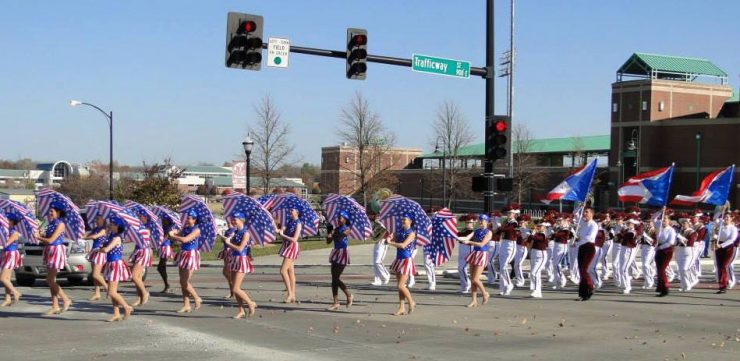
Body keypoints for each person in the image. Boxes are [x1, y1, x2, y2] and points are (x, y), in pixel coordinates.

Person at [33, 202, 72, 315]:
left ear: (58, 213)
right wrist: (40, 234)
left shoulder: (61, 224)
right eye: (49, 211)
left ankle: (65, 299)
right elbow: (47, 238)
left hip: (56, 251)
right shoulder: (50, 224)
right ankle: (55, 305)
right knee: (51, 280)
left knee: (49, 280)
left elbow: (51, 240)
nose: (49, 213)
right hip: (49, 250)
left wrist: (39, 237)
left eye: (52, 211)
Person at [223, 212, 257, 318]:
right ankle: (241, 310)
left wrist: (228, 243)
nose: (233, 221)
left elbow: (240, 248)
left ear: (241, 220)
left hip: (241, 259)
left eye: (235, 219)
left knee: (236, 288)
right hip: (234, 259)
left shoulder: (246, 233)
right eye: (232, 219)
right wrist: (228, 238)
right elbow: (231, 245)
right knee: (234, 286)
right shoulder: (235, 232)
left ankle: (250, 303)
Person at [169, 210, 203, 313]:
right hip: (183, 253)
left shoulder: (197, 230)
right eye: (187, 218)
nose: (187, 219)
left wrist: (173, 236)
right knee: (182, 281)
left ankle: (197, 298)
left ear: (194, 219)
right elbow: (179, 235)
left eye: (189, 218)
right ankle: (186, 305)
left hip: (191, 255)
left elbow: (185, 240)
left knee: (185, 281)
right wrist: (174, 232)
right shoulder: (185, 228)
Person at [100, 216, 134, 322]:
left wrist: (98, 250)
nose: (110, 225)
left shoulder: (117, 238)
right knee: (111, 291)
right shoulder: (111, 236)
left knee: (111, 292)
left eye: (112, 224)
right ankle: (116, 313)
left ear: (117, 226)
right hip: (110, 263)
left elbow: (106, 249)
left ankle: (126, 307)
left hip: (115, 264)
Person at [458, 214, 492, 307]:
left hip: (482, 254)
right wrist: (457, 237)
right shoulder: (476, 231)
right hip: (474, 254)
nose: (481, 222)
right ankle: (474, 300)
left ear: (487, 222)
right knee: (473, 279)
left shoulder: (488, 232)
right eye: (480, 220)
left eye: (483, 220)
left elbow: (481, 244)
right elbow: (467, 238)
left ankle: (485, 293)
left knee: (475, 279)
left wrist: (469, 242)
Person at [387, 214, 417, 316]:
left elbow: (403, 245)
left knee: (401, 285)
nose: (402, 221)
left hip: (406, 260)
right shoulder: (399, 231)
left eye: (405, 219)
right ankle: (401, 307)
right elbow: (393, 237)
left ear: (410, 221)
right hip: (398, 259)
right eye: (402, 219)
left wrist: (390, 243)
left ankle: (411, 302)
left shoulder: (412, 233)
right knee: (399, 286)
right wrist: (390, 236)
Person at [326, 212, 353, 310]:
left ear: (345, 219)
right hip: (335, 252)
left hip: (343, 253)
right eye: (338, 218)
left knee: (336, 278)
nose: (338, 219)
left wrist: (333, 234)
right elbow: (328, 242)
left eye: (340, 218)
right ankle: (336, 302)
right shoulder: (335, 229)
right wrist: (329, 233)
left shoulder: (347, 229)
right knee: (333, 279)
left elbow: (339, 237)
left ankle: (348, 294)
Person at [129, 211, 155, 307]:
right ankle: (139, 297)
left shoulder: (147, 228)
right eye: (138, 215)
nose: (139, 217)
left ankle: (145, 293)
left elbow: (137, 238)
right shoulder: (139, 227)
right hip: (138, 250)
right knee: (138, 277)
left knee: (134, 276)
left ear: (146, 217)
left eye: (141, 216)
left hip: (144, 251)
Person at [277, 208, 302, 303]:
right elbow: (281, 230)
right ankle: (293, 295)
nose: (290, 211)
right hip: (287, 246)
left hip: (292, 247)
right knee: (290, 271)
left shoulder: (298, 223)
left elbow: (294, 239)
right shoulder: (289, 221)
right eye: (290, 210)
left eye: (292, 210)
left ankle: (290, 293)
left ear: (297, 212)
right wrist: (277, 228)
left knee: (283, 271)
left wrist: (283, 235)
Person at [82, 215, 108, 301]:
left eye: (97, 218)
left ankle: (108, 288)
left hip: (100, 252)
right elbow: (88, 235)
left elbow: (94, 237)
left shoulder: (103, 229)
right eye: (95, 218)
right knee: (95, 275)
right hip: (94, 251)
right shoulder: (95, 229)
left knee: (96, 274)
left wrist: (84, 237)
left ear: (103, 219)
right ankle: (97, 293)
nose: (95, 220)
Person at [496, 205, 521, 296]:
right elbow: (498, 232)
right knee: (501, 267)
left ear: (515, 214)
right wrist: (495, 223)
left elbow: (507, 229)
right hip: (503, 243)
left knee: (504, 267)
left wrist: (499, 227)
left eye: (511, 213)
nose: (509, 214)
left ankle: (509, 284)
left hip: (511, 245)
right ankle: (503, 288)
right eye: (508, 213)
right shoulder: (506, 222)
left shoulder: (515, 223)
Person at [575, 208, 598, 301]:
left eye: (586, 212)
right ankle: (583, 294)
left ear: (591, 214)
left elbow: (590, 237)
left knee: (584, 269)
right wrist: (580, 206)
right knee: (581, 270)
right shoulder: (583, 223)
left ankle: (590, 286)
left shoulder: (594, 225)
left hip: (589, 247)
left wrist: (577, 243)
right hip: (582, 247)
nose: (584, 213)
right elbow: (575, 214)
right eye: (584, 212)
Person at [1, 213, 23, 306]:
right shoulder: (6, 231)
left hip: (11, 254)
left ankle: (16, 292)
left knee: (2, 278)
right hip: (6, 253)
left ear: (12, 222)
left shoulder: (14, 232)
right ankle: (7, 298)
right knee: (7, 278)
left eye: (7, 220)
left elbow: (6, 244)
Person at [714, 212, 738, 294]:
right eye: (725, 217)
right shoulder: (720, 226)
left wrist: (721, 245)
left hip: (727, 248)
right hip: (718, 247)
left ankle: (724, 285)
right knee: (719, 266)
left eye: (728, 217)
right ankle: (722, 286)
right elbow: (715, 219)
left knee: (723, 266)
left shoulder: (733, 228)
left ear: (731, 219)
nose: (726, 219)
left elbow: (732, 240)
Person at [655, 216, 676, 297]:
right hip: (659, 250)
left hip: (667, 251)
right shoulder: (660, 228)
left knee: (662, 270)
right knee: (658, 269)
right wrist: (661, 211)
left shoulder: (671, 230)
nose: (663, 221)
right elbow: (654, 219)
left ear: (669, 221)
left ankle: (666, 288)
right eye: (662, 219)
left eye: (665, 219)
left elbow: (670, 242)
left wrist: (659, 247)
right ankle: (660, 287)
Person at [528, 221, 550, 298]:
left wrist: (532, 233)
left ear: (544, 228)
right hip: (534, 253)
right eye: (539, 226)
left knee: (534, 273)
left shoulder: (544, 234)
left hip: (541, 255)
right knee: (536, 274)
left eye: (541, 226)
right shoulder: (537, 233)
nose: (539, 227)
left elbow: (535, 238)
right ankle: (538, 291)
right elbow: (529, 239)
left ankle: (536, 290)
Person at [618, 217, 640, 294]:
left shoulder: (633, 232)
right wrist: (622, 228)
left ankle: (628, 286)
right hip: (623, 248)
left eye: (630, 223)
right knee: (621, 268)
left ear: (633, 224)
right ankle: (624, 284)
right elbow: (618, 236)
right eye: (627, 223)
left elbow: (628, 236)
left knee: (624, 269)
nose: (628, 224)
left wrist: (623, 228)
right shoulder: (626, 230)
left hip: (629, 250)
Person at [676, 217, 698, 292]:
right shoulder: (681, 231)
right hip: (681, 251)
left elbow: (690, 243)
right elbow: (677, 242)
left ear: (689, 224)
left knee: (685, 269)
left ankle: (689, 283)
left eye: (685, 223)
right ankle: (683, 285)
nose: (683, 224)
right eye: (682, 223)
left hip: (689, 252)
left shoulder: (692, 232)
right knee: (680, 269)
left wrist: (681, 238)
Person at [550, 215, 572, 289]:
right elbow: (551, 237)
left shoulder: (566, 229)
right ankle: (557, 281)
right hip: (556, 246)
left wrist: (554, 230)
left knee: (557, 264)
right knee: (554, 265)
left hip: (562, 247)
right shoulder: (559, 228)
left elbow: (559, 235)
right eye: (558, 220)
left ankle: (562, 280)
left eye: (560, 220)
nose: (558, 222)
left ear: (565, 221)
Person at [218, 218, 237, 299]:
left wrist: (220, 235)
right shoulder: (227, 230)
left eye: (230, 221)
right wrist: (222, 235)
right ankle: (232, 291)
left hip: (231, 251)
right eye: (227, 221)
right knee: (226, 272)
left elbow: (228, 240)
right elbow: (223, 241)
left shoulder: (235, 230)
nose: (228, 223)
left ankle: (234, 291)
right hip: (226, 251)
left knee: (228, 272)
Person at [369, 213, 391, 286]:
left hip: (383, 243)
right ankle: (377, 280)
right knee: (375, 263)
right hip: (377, 243)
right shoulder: (376, 224)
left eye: (379, 216)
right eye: (377, 216)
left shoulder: (385, 224)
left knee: (378, 261)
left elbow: (385, 230)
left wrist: (379, 222)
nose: (377, 218)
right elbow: (374, 235)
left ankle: (386, 275)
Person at [156, 216, 176, 293]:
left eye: (164, 219)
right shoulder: (163, 227)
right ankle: (167, 285)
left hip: (165, 247)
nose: (163, 220)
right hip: (162, 247)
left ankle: (167, 286)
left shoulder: (168, 228)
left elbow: (165, 238)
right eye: (163, 219)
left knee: (161, 267)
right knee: (161, 267)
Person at [457, 216, 475, 294]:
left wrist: (457, 237)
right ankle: (464, 286)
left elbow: (466, 238)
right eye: (467, 222)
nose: (468, 224)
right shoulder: (464, 230)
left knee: (462, 268)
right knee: (460, 268)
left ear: (473, 223)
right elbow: (457, 234)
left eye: (470, 222)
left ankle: (467, 285)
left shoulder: (473, 231)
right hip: (461, 248)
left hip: (468, 249)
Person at [513, 214, 531, 288]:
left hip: (522, 248)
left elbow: (526, 239)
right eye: (519, 222)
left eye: (522, 222)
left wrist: (523, 231)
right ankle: (518, 280)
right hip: (516, 248)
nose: (520, 224)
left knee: (518, 264)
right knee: (515, 265)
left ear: (526, 222)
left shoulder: (527, 230)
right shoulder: (516, 229)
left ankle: (521, 280)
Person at [639, 218, 657, 290]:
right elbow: (642, 239)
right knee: (644, 265)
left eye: (650, 222)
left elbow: (655, 241)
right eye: (647, 222)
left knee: (646, 264)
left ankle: (650, 280)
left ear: (653, 223)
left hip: (650, 248)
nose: (648, 223)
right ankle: (647, 281)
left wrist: (646, 236)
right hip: (644, 247)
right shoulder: (646, 230)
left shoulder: (655, 231)